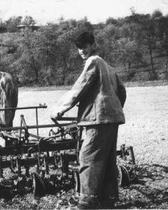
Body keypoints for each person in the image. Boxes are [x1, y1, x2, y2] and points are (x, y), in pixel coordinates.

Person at [52, 32, 126, 209]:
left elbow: (80, 87)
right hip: (111, 118)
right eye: (79, 48)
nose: (81, 51)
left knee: (88, 157)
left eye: (84, 47)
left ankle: (87, 201)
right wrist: (114, 109)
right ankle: (108, 198)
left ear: (93, 45)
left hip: (98, 119)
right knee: (107, 159)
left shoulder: (93, 62)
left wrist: (61, 109)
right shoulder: (108, 66)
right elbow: (122, 91)